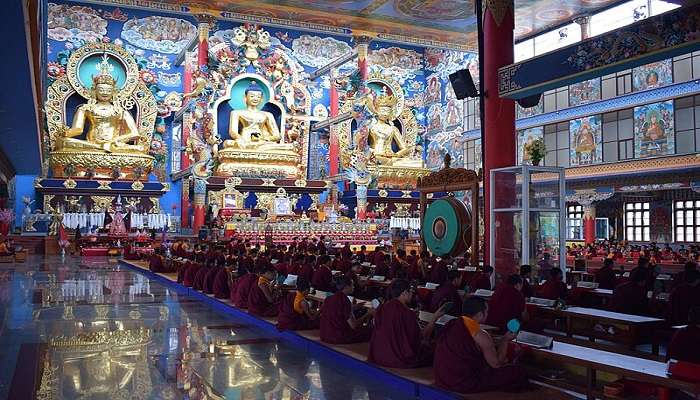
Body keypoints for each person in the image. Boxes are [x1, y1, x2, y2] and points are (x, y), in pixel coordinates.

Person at [434, 297, 528, 393]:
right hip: (463, 383)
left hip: (442, 379)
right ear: (479, 314)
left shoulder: (452, 324)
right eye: (486, 312)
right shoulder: (480, 334)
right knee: (518, 372)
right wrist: (505, 340)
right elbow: (496, 364)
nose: (487, 314)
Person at [368, 279, 446, 368]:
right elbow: (422, 336)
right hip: (397, 359)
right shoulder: (406, 313)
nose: (412, 294)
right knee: (435, 350)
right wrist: (434, 318)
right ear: (404, 292)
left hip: (379, 354)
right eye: (411, 292)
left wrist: (412, 315)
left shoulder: (383, 307)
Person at [320, 277, 374, 344]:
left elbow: (339, 310)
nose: (354, 287)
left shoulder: (329, 298)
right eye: (352, 285)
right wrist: (368, 314)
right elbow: (353, 325)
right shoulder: (345, 300)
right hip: (338, 337)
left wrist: (354, 307)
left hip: (324, 334)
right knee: (370, 330)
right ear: (346, 287)